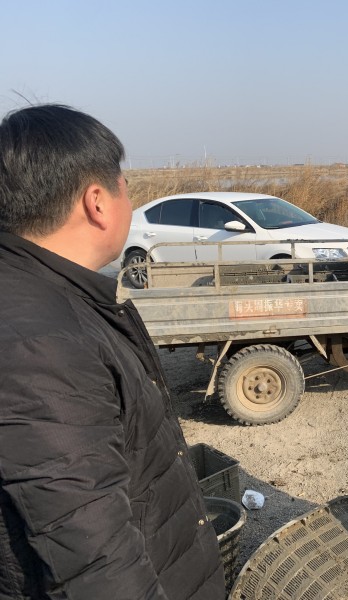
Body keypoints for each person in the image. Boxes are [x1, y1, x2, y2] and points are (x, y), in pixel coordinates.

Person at [0, 105, 225, 599]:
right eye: (126, 187)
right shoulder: (41, 347)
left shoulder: (43, 299)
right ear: (97, 202)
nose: (130, 201)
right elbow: (93, 556)